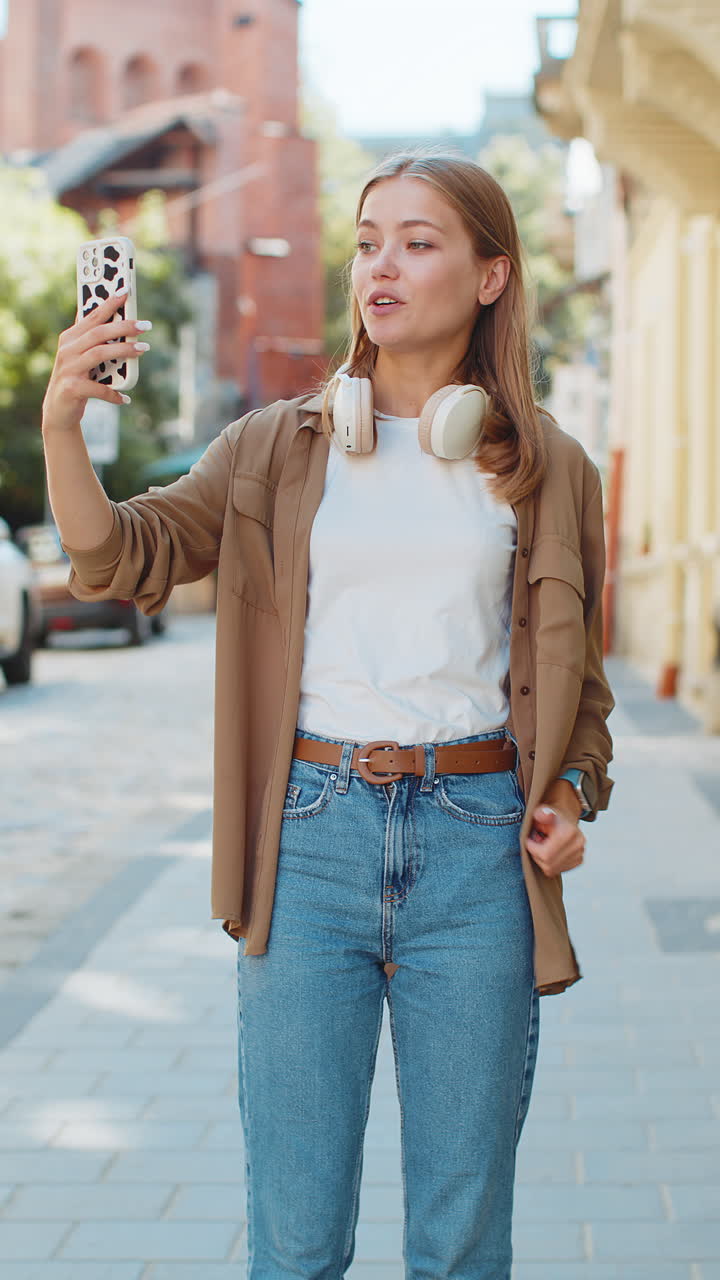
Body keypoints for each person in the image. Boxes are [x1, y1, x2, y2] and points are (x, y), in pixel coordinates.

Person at [41, 148, 615, 1280]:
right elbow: (115, 559)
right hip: (308, 843)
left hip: (478, 848)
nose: (379, 267)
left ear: (493, 274)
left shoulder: (551, 467)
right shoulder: (275, 447)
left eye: (417, 241)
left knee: (460, 1242)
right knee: (297, 1238)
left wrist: (567, 791)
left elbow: (580, 691)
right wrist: (65, 419)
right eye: (365, 242)